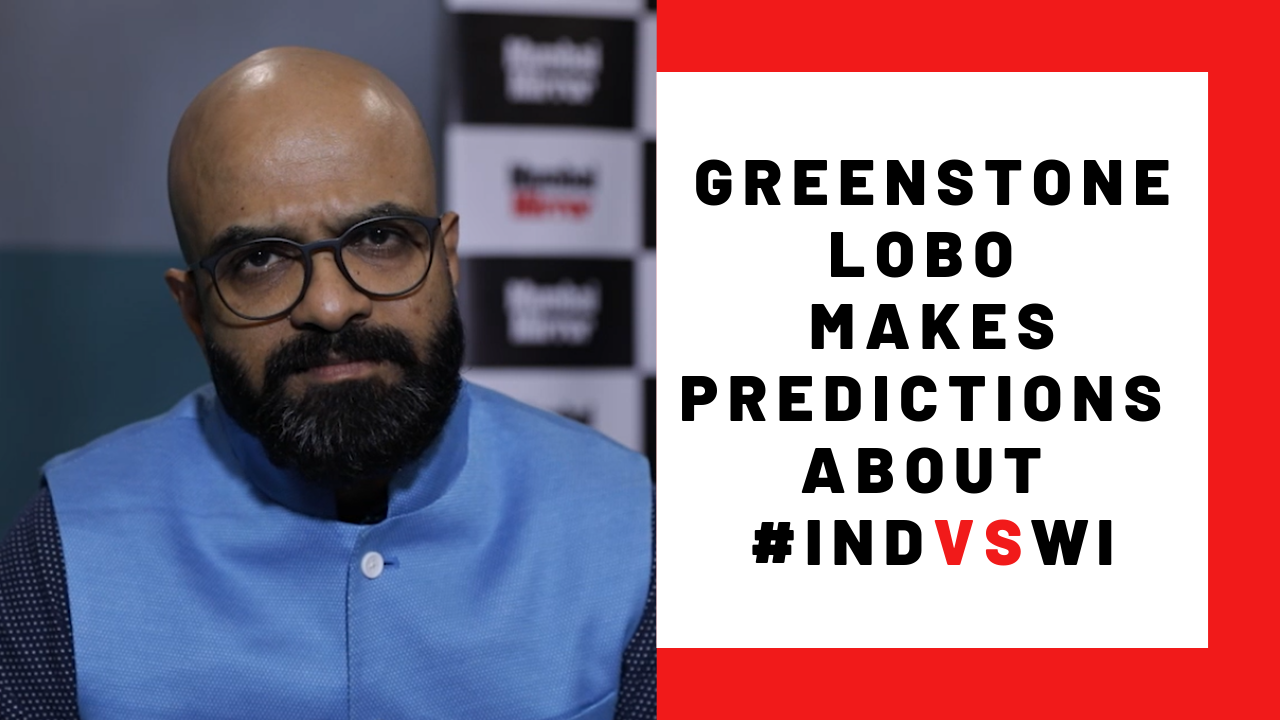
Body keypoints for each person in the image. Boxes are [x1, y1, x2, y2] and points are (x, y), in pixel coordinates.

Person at [0, 47, 654, 720]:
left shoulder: (630, 527)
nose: (331, 306)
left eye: (379, 238)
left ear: (447, 258)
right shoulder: (64, 550)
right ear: (194, 309)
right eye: (260, 259)